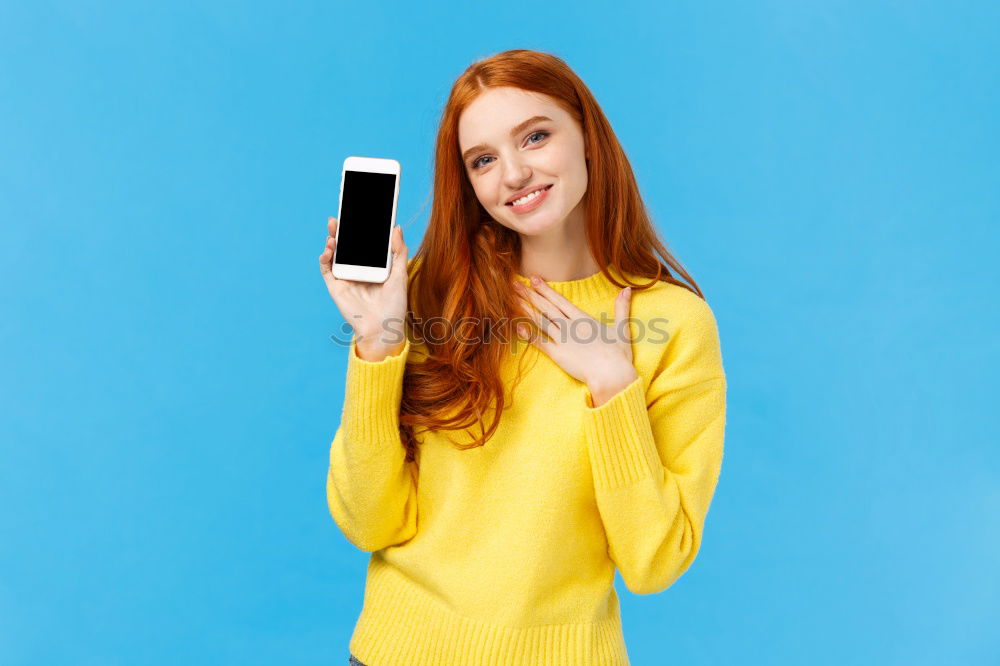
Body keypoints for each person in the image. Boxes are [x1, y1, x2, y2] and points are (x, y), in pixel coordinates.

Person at [318, 49, 727, 666]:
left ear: (588, 136)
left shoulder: (672, 325)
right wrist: (379, 346)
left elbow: (654, 561)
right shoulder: (431, 294)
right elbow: (368, 524)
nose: (512, 174)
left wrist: (612, 384)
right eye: (483, 160)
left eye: (535, 136)